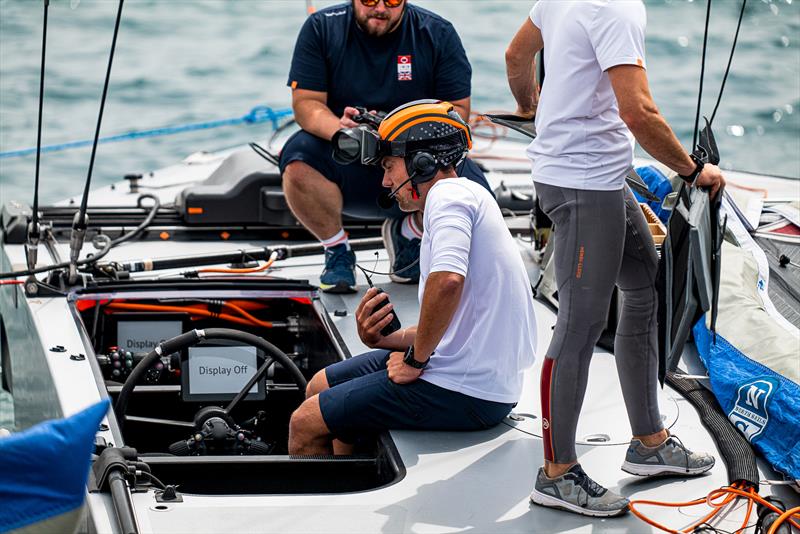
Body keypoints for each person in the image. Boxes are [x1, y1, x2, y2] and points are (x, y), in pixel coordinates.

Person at [505, 0, 726, 518]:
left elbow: (517, 55)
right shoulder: (617, 10)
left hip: (593, 174)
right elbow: (639, 112)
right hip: (584, 183)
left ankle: (649, 442)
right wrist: (693, 171)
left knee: (644, 286)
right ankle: (557, 474)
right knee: (580, 324)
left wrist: (532, 109)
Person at [287, 100, 537, 455]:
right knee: (319, 386)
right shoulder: (466, 194)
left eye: (389, 167)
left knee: (305, 421)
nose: (386, 181)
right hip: (468, 371)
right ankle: (348, 480)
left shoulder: (448, 196)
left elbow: (448, 281)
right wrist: (384, 340)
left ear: (423, 164)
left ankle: (326, 503)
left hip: (470, 390)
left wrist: (415, 360)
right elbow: (456, 325)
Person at [280, 0, 493, 294]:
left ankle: (410, 232)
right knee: (297, 158)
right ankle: (337, 249)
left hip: (415, 157)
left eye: (391, 1)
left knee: (477, 192)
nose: (379, 7)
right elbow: (306, 103)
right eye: (369, 0)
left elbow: (456, 112)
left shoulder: (438, 32)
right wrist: (341, 130)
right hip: (350, 150)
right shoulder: (322, 27)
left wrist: (399, 133)